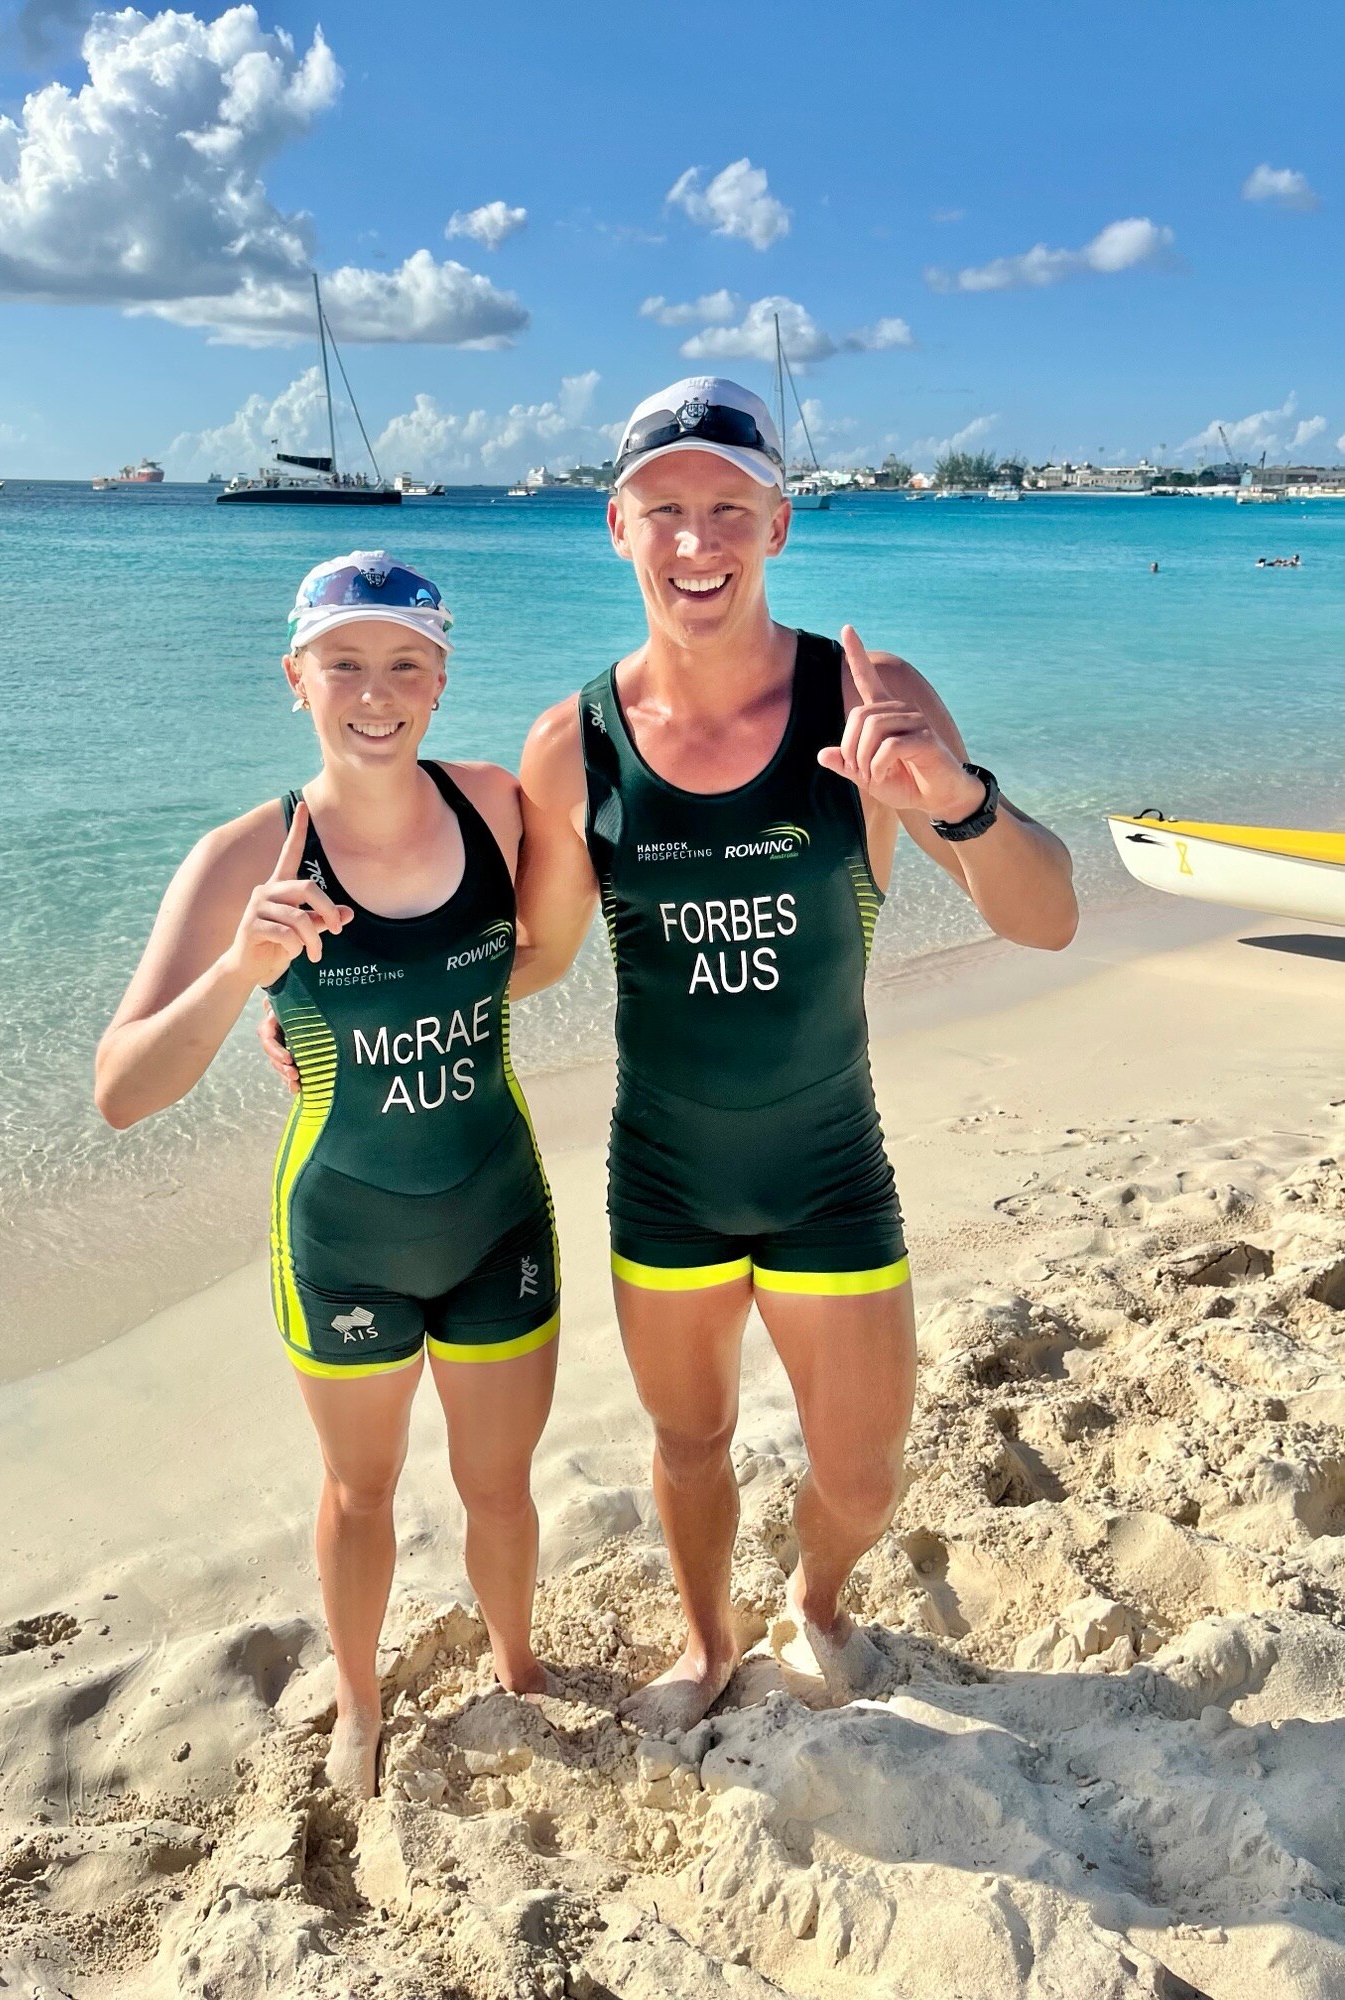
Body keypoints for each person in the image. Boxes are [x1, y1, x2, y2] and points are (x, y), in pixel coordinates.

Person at [512, 378, 1079, 1728]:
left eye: (727, 510)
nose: (695, 542)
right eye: (666, 511)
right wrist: (339, 985)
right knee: (689, 1445)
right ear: (617, 527)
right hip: (666, 1180)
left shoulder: (866, 696)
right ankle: (708, 1642)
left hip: (829, 1170)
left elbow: (1046, 916)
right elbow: (533, 958)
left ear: (778, 526)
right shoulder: (571, 745)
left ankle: (816, 1599)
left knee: (867, 1474)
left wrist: (954, 797)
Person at [96, 553, 561, 1796]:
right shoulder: (241, 856)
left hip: (498, 1210)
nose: (375, 689)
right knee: (361, 1492)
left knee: (500, 1485)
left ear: (442, 678)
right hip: (342, 1231)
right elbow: (124, 1089)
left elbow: (538, 956)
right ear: (293, 677)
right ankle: (359, 1701)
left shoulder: (499, 807)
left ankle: (519, 1664)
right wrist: (243, 973)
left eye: (404, 661)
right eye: (343, 662)